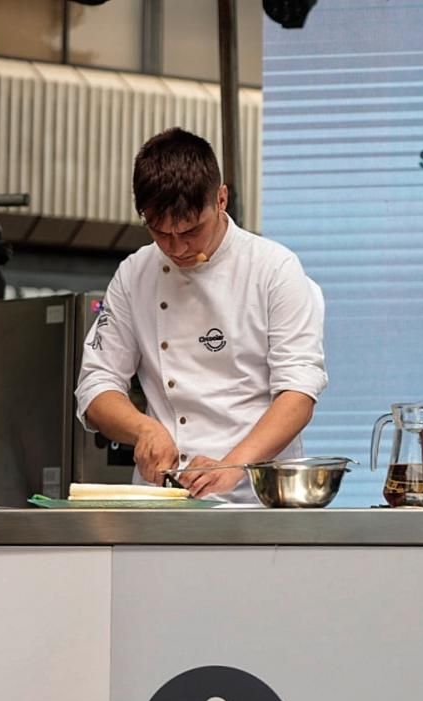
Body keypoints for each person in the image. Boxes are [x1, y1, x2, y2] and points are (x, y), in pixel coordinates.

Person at [75, 127, 327, 502]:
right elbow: (96, 386)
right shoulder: (135, 273)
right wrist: (144, 429)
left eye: (191, 230)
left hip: (254, 500)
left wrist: (232, 465)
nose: (177, 248)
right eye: (161, 233)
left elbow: (298, 394)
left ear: (221, 199)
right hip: (161, 501)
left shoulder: (274, 269)